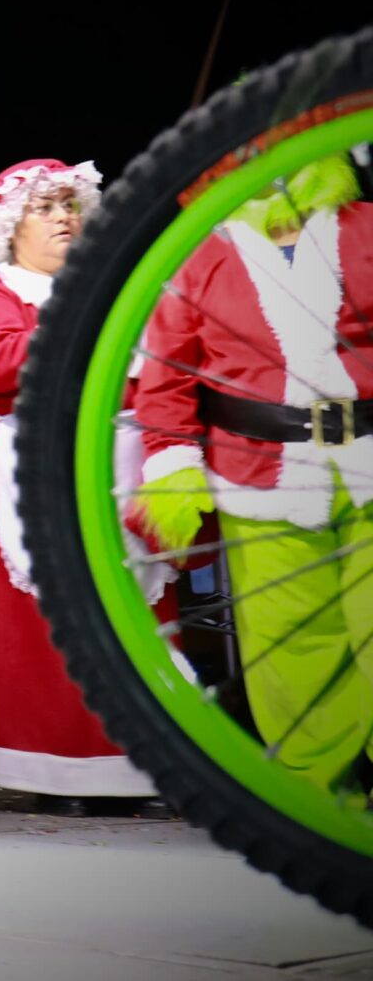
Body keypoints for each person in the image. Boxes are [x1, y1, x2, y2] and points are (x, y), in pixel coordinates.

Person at [0, 159, 169, 816]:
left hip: (116, 466)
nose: (63, 217)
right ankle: (57, 769)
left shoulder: (115, 289)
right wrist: (89, 332)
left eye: (70, 204)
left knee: (127, 613)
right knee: (44, 621)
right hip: (32, 469)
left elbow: (157, 370)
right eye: (44, 207)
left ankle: (132, 767)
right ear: (11, 227)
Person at [134, 155, 373, 792]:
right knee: (295, 656)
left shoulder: (366, 228)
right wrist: (174, 466)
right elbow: (166, 376)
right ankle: (322, 808)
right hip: (259, 477)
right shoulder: (198, 255)